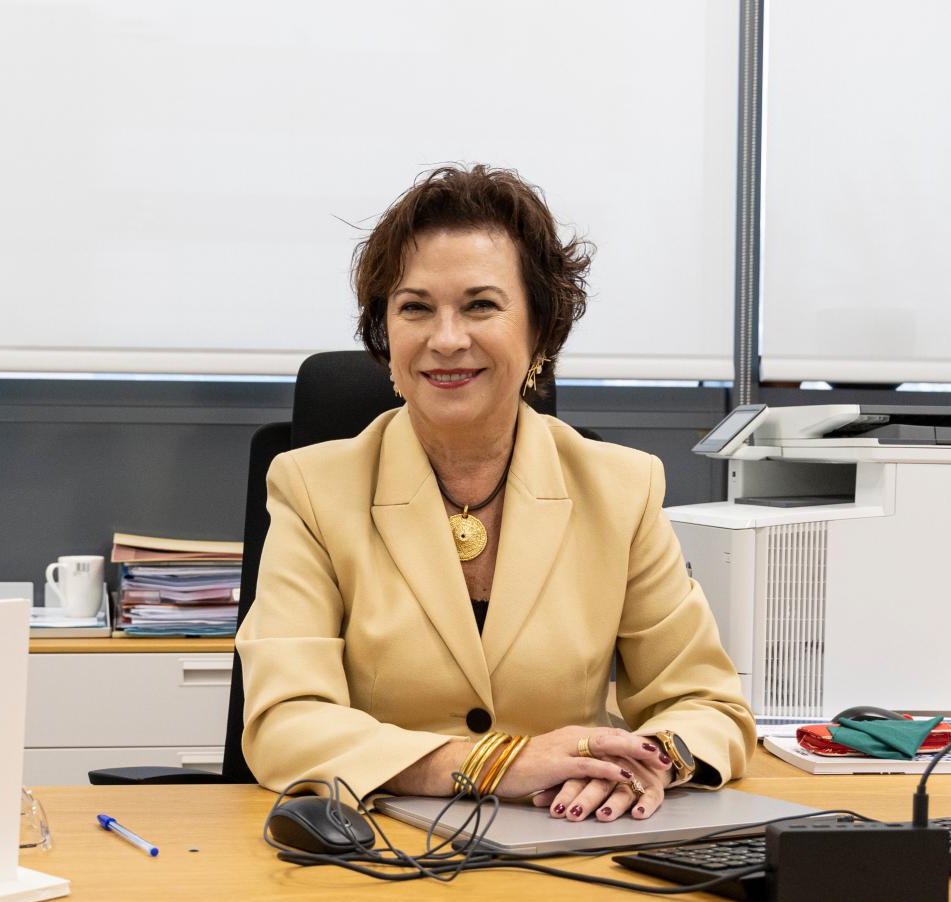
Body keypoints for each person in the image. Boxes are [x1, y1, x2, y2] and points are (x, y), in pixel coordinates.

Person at [237, 165, 753, 823]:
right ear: (386, 338)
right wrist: (493, 765)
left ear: (539, 330)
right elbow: (284, 724)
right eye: (415, 307)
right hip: (379, 859)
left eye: (480, 305)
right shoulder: (312, 491)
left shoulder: (619, 490)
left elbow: (710, 706)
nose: (446, 338)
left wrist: (641, 762)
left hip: (573, 852)